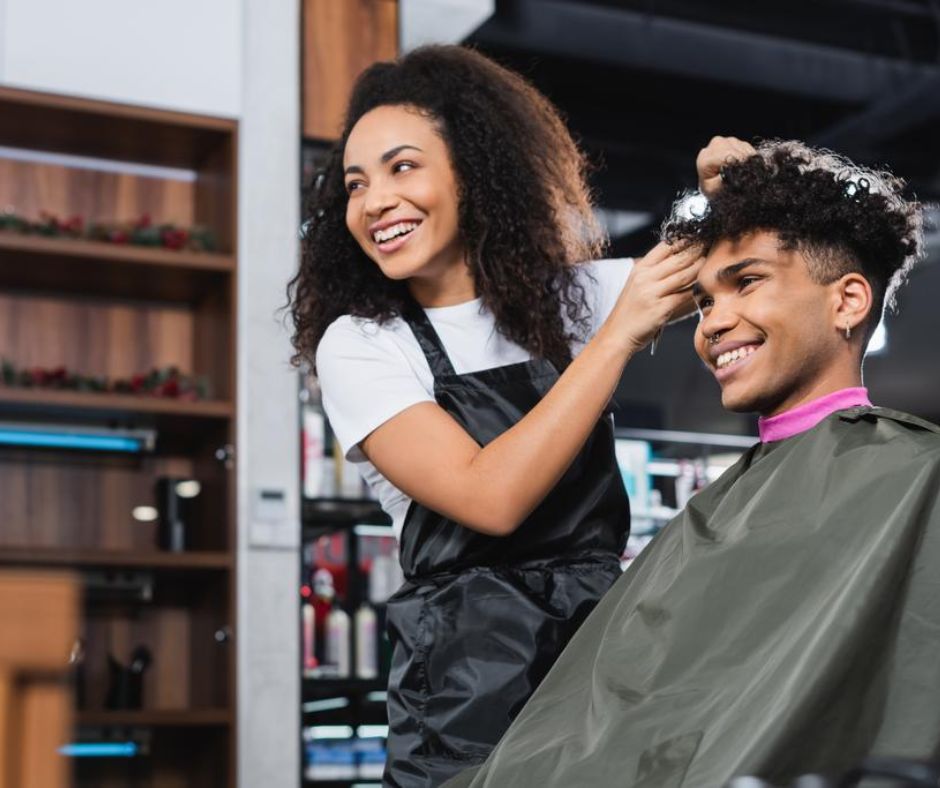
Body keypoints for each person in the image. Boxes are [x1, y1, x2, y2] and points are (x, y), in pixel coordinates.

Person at [445, 140, 940, 788]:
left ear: (848, 302)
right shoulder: (717, 513)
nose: (713, 323)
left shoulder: (916, 479)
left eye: (748, 283)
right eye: (704, 301)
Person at [287, 45, 719, 786]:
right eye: (355, 184)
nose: (374, 201)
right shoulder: (360, 344)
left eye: (402, 167)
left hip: (597, 665)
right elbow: (489, 496)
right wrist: (618, 336)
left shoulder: (569, 298)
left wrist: (735, 190)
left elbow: (740, 262)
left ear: (477, 170)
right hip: (464, 697)